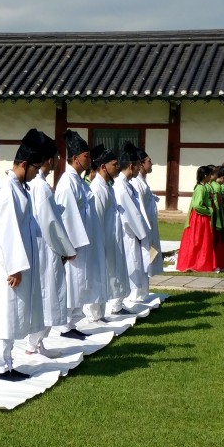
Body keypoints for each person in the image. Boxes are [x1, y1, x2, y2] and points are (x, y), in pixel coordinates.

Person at [0, 128, 45, 381]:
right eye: (35, 169)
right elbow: (7, 230)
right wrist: (15, 266)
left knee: (12, 313)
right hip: (7, 264)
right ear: (24, 164)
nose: (37, 173)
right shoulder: (7, 190)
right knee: (4, 313)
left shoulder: (19, 188)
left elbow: (27, 223)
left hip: (16, 261)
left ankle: (7, 361)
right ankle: (0, 366)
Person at [26, 132, 75, 357]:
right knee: (48, 292)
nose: (58, 162)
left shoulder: (38, 185)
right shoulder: (41, 187)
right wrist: (66, 249)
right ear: (48, 160)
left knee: (46, 292)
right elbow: (51, 223)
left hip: (44, 245)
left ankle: (36, 342)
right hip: (47, 247)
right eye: (56, 158)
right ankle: (34, 342)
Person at [53, 129, 95, 339]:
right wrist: (69, 247)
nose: (89, 160)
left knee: (80, 283)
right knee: (71, 282)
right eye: (86, 156)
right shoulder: (68, 182)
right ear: (76, 158)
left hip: (81, 241)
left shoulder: (78, 180)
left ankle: (73, 321)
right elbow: (67, 217)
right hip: (73, 244)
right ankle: (64, 325)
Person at [89, 145, 129, 321]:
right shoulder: (97, 188)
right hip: (101, 241)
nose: (118, 167)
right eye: (114, 164)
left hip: (111, 239)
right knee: (99, 277)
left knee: (107, 276)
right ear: (103, 166)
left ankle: (100, 313)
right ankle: (94, 314)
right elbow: (95, 219)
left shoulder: (108, 187)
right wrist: (99, 245)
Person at [111, 143, 151, 310]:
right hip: (127, 233)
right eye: (137, 166)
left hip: (133, 232)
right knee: (129, 265)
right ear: (131, 166)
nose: (139, 169)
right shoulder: (120, 186)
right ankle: (121, 301)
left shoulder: (128, 184)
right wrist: (143, 233)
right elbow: (131, 215)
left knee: (135, 264)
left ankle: (128, 298)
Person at [176, 165, 216, 272]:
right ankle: (195, 263)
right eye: (209, 175)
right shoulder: (200, 188)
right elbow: (197, 205)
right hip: (199, 217)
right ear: (206, 176)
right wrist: (210, 211)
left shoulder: (202, 187)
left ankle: (199, 262)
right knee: (197, 240)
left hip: (201, 216)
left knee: (201, 240)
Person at [132, 146, 163, 277]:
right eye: (149, 161)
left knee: (152, 252)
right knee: (143, 255)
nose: (152, 164)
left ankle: (148, 278)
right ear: (141, 164)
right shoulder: (136, 182)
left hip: (150, 224)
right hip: (144, 226)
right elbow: (139, 208)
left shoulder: (143, 181)